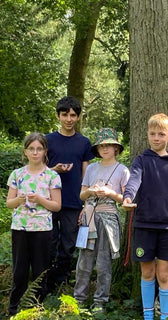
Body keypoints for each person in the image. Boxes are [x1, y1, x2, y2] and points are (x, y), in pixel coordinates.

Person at [122, 113, 168, 320]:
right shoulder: (141, 160)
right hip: (143, 226)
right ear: (147, 135)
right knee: (148, 273)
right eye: (152, 133)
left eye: (161, 134)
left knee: (164, 274)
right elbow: (134, 180)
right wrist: (127, 197)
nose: (156, 138)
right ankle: (148, 315)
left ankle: (165, 316)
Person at [73, 128, 130, 312]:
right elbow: (82, 195)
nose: (105, 149)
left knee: (104, 262)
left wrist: (110, 193)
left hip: (109, 219)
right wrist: (91, 191)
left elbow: (126, 199)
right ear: (97, 149)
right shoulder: (91, 168)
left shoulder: (122, 170)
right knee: (84, 261)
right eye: (101, 146)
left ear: (116, 148)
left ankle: (100, 301)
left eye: (109, 145)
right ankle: (78, 300)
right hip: (88, 217)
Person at [6, 133, 62, 315]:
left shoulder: (52, 176)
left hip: (42, 230)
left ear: (45, 151)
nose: (35, 153)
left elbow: (56, 206)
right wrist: (19, 200)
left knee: (40, 272)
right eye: (31, 149)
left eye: (39, 149)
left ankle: (37, 309)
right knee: (19, 272)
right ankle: (14, 310)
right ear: (25, 151)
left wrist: (39, 199)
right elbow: (9, 203)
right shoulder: (17, 174)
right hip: (20, 229)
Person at [46, 96, 94, 289]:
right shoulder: (47, 140)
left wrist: (86, 203)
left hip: (74, 200)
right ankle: (45, 283)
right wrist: (54, 170)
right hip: (49, 200)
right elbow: (38, 171)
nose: (69, 119)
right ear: (58, 116)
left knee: (68, 245)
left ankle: (62, 282)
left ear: (78, 117)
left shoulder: (84, 142)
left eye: (73, 115)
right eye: (65, 114)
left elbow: (86, 173)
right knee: (49, 243)